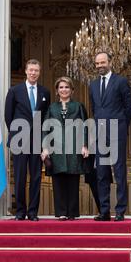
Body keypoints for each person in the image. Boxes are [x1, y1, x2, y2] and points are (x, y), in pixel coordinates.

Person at [89, 52, 131, 222]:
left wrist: (121, 125)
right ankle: (104, 211)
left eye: (102, 62)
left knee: (119, 172)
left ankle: (120, 210)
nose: (100, 65)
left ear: (110, 62)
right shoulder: (93, 85)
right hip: (100, 134)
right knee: (101, 173)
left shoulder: (121, 81)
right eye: (97, 63)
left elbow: (129, 107)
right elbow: (95, 109)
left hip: (117, 132)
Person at [5, 59, 51, 222]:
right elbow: (8, 116)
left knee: (36, 177)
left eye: (36, 70)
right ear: (26, 71)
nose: (33, 73)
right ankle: (20, 211)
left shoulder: (45, 92)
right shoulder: (15, 91)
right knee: (19, 176)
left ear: (39, 72)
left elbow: (46, 117)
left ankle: (32, 212)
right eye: (31, 70)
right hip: (20, 139)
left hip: (37, 140)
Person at [41, 77, 90, 220]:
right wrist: (45, 147)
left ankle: (72, 212)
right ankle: (61, 212)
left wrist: (85, 145)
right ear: (57, 91)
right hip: (56, 148)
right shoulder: (52, 108)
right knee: (59, 181)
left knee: (73, 180)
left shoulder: (79, 106)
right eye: (61, 87)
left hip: (74, 147)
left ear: (72, 90)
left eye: (67, 87)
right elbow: (46, 128)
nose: (64, 90)